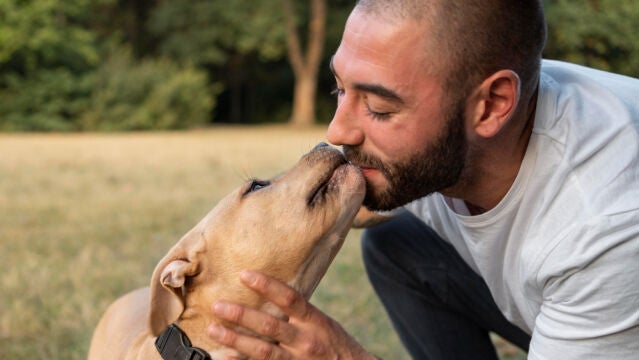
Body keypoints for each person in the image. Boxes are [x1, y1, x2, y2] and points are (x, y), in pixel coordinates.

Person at [206, 0, 639, 359]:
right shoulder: (462, 95)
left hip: (610, 298)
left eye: (378, 106)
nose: (338, 132)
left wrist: (341, 356)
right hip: (560, 297)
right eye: (340, 89)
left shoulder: (605, 223)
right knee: (396, 244)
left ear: (492, 106)